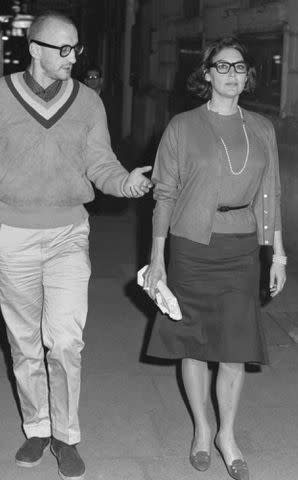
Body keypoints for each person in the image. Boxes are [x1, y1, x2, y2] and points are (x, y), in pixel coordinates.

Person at [0, 11, 152, 480]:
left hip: (70, 232)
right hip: (13, 236)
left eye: (76, 48)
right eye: (62, 49)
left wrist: (125, 182)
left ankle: (67, 435)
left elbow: (101, 163)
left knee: (66, 340)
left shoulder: (89, 102)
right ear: (35, 49)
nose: (72, 57)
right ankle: (38, 426)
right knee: (24, 342)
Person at [143, 36, 286, 480]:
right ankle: (202, 430)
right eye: (221, 67)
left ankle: (228, 434)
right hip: (191, 247)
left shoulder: (261, 127)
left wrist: (277, 254)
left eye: (239, 67)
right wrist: (158, 258)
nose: (231, 74)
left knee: (234, 347)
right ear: (206, 74)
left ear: (248, 76)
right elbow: (164, 194)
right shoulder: (182, 127)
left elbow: (272, 193)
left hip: (241, 247)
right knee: (194, 342)